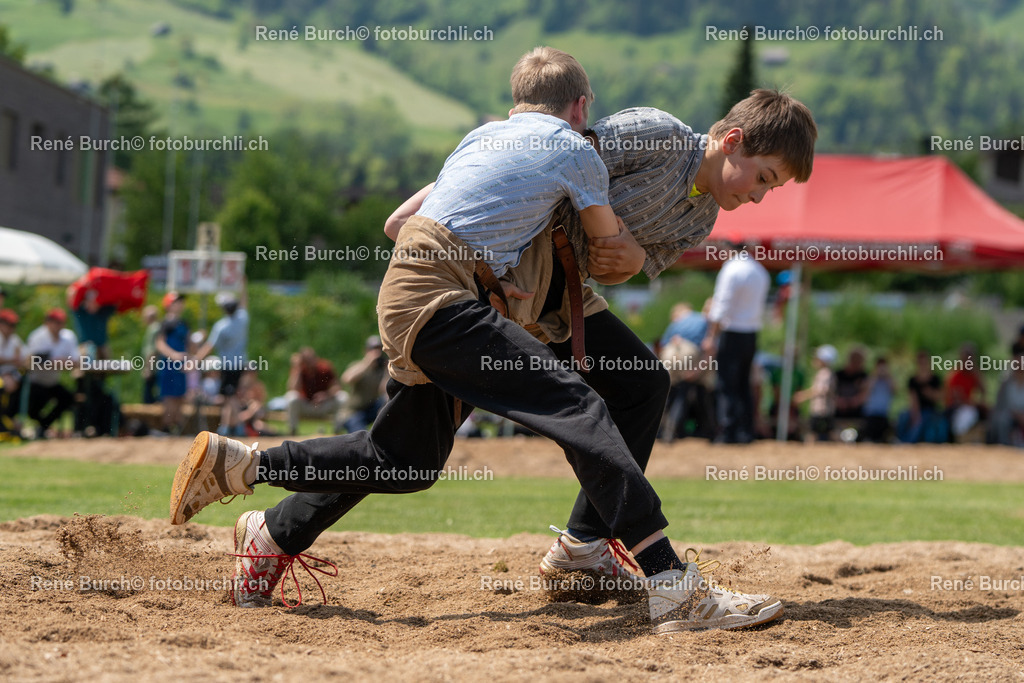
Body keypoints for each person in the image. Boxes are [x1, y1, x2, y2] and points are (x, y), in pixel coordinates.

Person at [703, 244, 770, 444]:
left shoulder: (731, 269)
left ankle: (727, 430)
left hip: (732, 331)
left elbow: (721, 305)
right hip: (751, 333)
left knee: (726, 383)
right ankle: (745, 431)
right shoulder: (760, 270)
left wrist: (711, 336)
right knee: (744, 383)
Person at [198, 290, 250, 436]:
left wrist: (195, 361)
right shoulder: (243, 318)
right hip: (240, 363)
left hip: (228, 365)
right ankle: (227, 427)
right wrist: (243, 285)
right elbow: (245, 302)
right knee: (229, 397)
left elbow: (209, 346)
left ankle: (237, 427)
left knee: (230, 396)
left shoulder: (221, 326)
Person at [25, 309, 79, 438]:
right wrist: (58, 362)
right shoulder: (37, 337)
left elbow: (76, 361)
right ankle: (43, 427)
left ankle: (43, 427)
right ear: (47, 323)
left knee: (68, 399)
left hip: (52, 381)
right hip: (36, 381)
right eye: (55, 322)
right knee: (33, 408)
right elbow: (34, 362)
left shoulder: (68, 337)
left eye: (60, 322)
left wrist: (53, 362)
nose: (58, 325)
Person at [284, 347, 346, 435]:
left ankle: (337, 431)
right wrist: (297, 368)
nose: (310, 363)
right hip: (307, 406)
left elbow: (337, 386)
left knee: (342, 397)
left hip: (324, 405)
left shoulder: (325, 367)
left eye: (311, 359)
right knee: (291, 396)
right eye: (306, 361)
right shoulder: (299, 370)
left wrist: (326, 395)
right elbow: (292, 388)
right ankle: (293, 431)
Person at [155, 292, 189, 434]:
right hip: (169, 365)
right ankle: (167, 427)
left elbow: (188, 344)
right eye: (177, 302)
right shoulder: (166, 322)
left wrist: (191, 359)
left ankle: (178, 426)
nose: (180, 305)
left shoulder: (184, 323)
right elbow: (159, 343)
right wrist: (173, 355)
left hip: (181, 365)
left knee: (180, 396)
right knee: (169, 396)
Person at [339, 336, 388, 433]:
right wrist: (368, 363)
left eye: (379, 349)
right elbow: (346, 379)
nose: (376, 353)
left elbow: (384, 390)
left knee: (387, 404)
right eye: (373, 349)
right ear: (366, 351)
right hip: (352, 412)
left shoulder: (381, 370)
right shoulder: (358, 365)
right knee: (361, 436)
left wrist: (387, 370)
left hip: (370, 410)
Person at [897, 349, 947, 443]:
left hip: (930, 409)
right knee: (903, 416)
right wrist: (915, 412)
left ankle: (908, 441)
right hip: (917, 409)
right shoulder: (913, 380)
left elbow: (940, 397)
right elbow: (912, 399)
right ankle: (900, 438)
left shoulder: (935, 379)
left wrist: (930, 393)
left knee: (922, 419)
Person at [794, 344, 837, 441]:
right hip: (822, 409)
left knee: (815, 431)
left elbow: (821, 390)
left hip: (822, 409)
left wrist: (803, 395)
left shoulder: (825, 373)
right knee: (825, 431)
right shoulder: (824, 373)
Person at [944, 342, 986, 441]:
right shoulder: (955, 375)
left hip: (968, 406)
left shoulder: (972, 375)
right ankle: (960, 437)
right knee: (969, 413)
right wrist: (974, 404)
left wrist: (977, 374)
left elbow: (983, 390)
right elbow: (956, 399)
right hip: (954, 409)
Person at [861, 356, 895, 443]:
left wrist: (887, 376)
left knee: (882, 438)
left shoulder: (889, 379)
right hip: (871, 413)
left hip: (883, 413)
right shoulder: (871, 377)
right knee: (869, 437)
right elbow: (866, 390)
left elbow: (894, 389)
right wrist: (875, 375)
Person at [834, 347, 868, 422]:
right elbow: (831, 392)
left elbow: (866, 393)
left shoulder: (863, 376)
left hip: (857, 414)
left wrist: (855, 401)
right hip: (838, 413)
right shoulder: (838, 374)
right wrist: (838, 401)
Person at [140, 305, 161, 404]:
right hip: (158, 367)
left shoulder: (153, 329)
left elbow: (152, 351)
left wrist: (148, 368)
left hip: (154, 367)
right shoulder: (156, 327)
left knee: (148, 398)